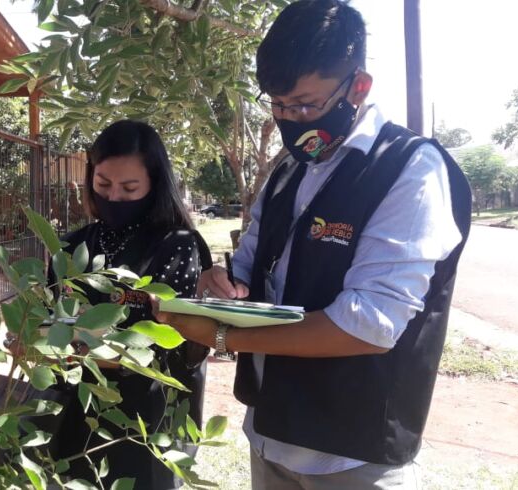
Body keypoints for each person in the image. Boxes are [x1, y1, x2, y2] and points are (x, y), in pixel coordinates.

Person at [155, 1, 472, 488]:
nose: (292, 120)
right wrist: (218, 286)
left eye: (306, 104)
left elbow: (368, 325)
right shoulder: (286, 173)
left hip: (352, 455)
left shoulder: (408, 169)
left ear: (358, 86)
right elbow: (246, 271)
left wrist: (222, 337)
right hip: (270, 434)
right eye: (280, 106)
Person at [53, 120, 211, 488]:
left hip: (145, 422)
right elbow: (52, 319)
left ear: (153, 184)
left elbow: (165, 345)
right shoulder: (72, 245)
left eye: (129, 188)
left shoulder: (177, 245)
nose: (114, 198)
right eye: (103, 184)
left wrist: (73, 344)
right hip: (78, 413)